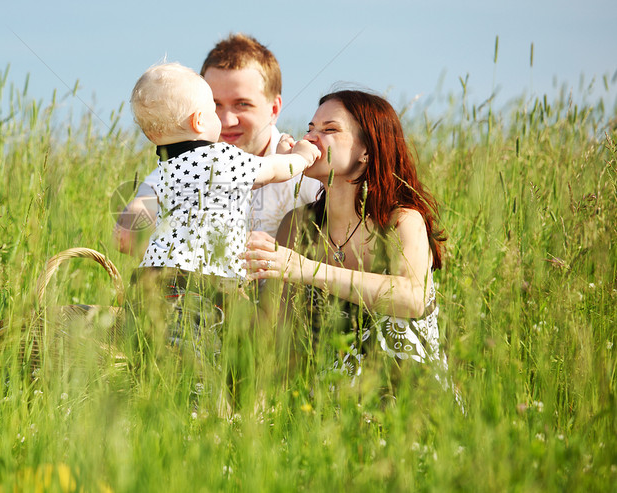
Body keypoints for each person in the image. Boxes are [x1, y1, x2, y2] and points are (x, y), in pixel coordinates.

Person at [241, 89, 449, 388]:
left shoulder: (402, 220)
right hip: (327, 412)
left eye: (330, 130)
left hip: (410, 405)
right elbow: (276, 335)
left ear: (367, 151)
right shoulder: (298, 225)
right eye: (309, 129)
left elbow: (412, 298)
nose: (310, 138)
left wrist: (306, 269)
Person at [114, 33, 322, 256]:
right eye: (215, 105)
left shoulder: (312, 175)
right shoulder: (185, 164)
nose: (226, 121)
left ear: (274, 109)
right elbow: (129, 232)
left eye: (242, 104)